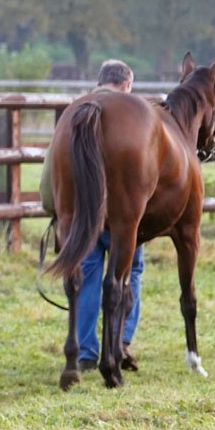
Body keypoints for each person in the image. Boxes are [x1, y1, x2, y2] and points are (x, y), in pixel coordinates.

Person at [39, 59, 144, 373]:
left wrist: (55, 210)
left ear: (100, 82)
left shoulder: (75, 113)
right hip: (125, 218)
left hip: (82, 218)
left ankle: (86, 351)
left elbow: (49, 177)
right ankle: (121, 341)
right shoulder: (132, 116)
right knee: (131, 270)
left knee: (85, 273)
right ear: (126, 84)